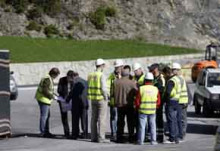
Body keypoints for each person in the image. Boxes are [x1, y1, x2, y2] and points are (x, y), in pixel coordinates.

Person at [135, 72, 161, 145]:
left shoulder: (141, 88)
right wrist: (155, 107)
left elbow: (137, 100)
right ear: (152, 80)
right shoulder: (155, 89)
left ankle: (141, 141)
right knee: (153, 126)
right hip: (152, 111)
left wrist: (138, 108)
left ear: (145, 80)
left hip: (142, 110)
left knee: (142, 127)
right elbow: (158, 101)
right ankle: (153, 141)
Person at [88, 58, 109, 143]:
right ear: (102, 65)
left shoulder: (90, 75)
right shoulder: (101, 75)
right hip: (101, 99)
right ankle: (101, 137)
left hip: (93, 99)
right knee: (102, 118)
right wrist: (106, 97)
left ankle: (93, 137)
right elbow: (103, 89)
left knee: (94, 118)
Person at [114, 67, 137, 143]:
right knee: (130, 122)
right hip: (129, 104)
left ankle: (119, 137)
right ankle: (131, 137)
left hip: (119, 104)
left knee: (120, 122)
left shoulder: (116, 82)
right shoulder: (132, 82)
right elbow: (136, 92)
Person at [35, 67, 60, 138]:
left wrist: (54, 95)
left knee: (46, 116)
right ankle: (43, 132)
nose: (56, 77)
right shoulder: (47, 79)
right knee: (44, 116)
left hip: (43, 99)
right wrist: (52, 96)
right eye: (56, 75)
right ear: (53, 74)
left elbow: (49, 89)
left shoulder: (48, 78)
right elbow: (45, 90)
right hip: (43, 99)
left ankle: (46, 131)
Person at [66, 72, 89, 139]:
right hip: (84, 102)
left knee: (75, 119)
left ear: (72, 76)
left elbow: (72, 92)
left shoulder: (74, 82)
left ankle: (75, 134)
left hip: (76, 103)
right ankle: (85, 134)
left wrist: (67, 99)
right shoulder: (85, 81)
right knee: (84, 119)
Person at [163, 66, 182, 144]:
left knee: (171, 120)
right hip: (176, 101)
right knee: (175, 120)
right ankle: (176, 138)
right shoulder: (177, 79)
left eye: (164, 74)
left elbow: (168, 92)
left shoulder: (171, 81)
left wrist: (165, 99)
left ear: (167, 73)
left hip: (170, 101)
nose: (164, 76)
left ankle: (172, 138)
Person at [107, 59, 124, 141]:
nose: (117, 69)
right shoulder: (111, 76)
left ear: (122, 67)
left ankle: (120, 133)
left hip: (123, 101)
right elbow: (107, 87)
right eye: (116, 67)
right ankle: (114, 134)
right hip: (114, 101)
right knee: (114, 117)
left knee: (121, 118)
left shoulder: (125, 75)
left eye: (118, 67)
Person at [148, 63, 165, 143]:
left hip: (159, 102)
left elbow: (161, 90)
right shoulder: (154, 78)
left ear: (156, 69)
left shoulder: (161, 79)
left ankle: (160, 137)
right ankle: (154, 135)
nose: (150, 71)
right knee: (153, 120)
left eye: (152, 69)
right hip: (153, 102)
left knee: (158, 119)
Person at [172, 63, 189, 141]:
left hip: (181, 101)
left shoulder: (179, 79)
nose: (172, 71)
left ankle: (182, 134)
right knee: (181, 118)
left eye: (173, 69)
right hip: (182, 101)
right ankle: (181, 133)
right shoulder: (179, 78)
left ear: (178, 70)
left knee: (182, 119)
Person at [57, 70, 74, 137]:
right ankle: (66, 133)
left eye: (70, 78)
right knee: (64, 117)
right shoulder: (62, 80)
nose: (69, 80)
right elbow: (59, 90)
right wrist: (65, 95)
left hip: (72, 100)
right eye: (68, 78)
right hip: (63, 100)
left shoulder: (74, 81)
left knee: (74, 117)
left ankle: (74, 132)